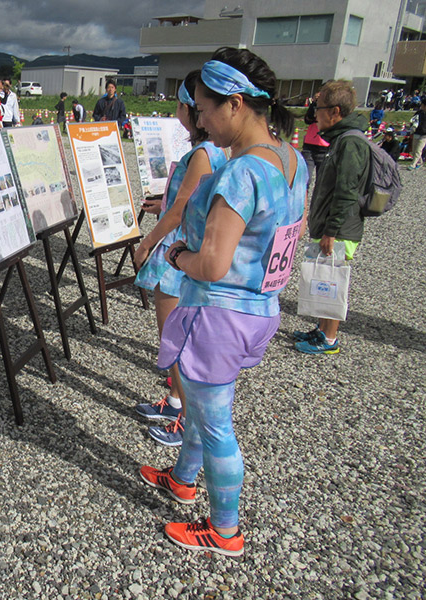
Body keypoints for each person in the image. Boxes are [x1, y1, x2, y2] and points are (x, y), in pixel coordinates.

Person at [140, 47, 307, 557]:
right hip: (260, 309)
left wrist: (177, 251)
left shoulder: (241, 172)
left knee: (214, 421)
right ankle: (183, 479)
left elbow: (212, 264)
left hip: (219, 313)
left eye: (205, 109)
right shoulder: (293, 160)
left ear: (235, 104)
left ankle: (225, 530)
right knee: (202, 409)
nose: (202, 122)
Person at [133, 70, 228, 448]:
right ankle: (175, 403)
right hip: (181, 249)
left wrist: (146, 244)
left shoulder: (203, 154)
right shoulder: (209, 151)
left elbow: (181, 211)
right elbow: (183, 203)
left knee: (174, 340)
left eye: (180, 103)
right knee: (176, 338)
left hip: (175, 253)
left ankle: (186, 421)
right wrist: (164, 203)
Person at [293, 80, 368, 355]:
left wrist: (331, 231)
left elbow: (347, 191)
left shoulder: (349, 143)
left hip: (340, 229)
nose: (315, 114)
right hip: (333, 226)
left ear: (335, 111)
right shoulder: (342, 139)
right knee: (325, 277)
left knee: (334, 280)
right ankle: (323, 329)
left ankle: (330, 338)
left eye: (319, 107)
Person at [301, 91, 330, 179]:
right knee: (306, 178)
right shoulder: (315, 107)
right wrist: (314, 103)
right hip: (309, 146)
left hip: (324, 147)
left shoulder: (332, 109)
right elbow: (308, 119)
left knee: (321, 180)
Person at [408, 98, 426, 170]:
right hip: (417, 132)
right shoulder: (419, 113)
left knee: (419, 150)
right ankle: (420, 162)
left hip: (424, 135)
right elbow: (412, 120)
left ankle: (413, 164)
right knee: (414, 150)